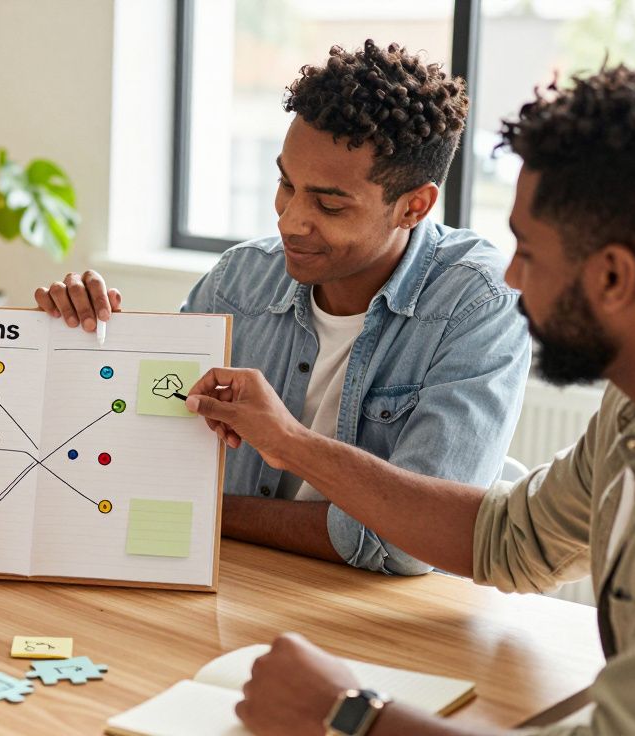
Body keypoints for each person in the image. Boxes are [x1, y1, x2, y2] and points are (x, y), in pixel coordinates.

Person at [183, 62, 635, 735]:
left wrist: (351, 716)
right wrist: (291, 445)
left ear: (614, 275)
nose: (511, 274)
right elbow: (513, 537)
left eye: (529, 253)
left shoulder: (475, 302)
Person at [33, 40, 530, 575]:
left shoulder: (479, 305)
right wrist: (85, 342)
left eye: (329, 203)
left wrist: (263, 465)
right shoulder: (237, 281)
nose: (290, 221)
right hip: (239, 580)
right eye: (285, 184)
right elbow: (139, 447)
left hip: (373, 616)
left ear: (414, 206)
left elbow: (405, 547)